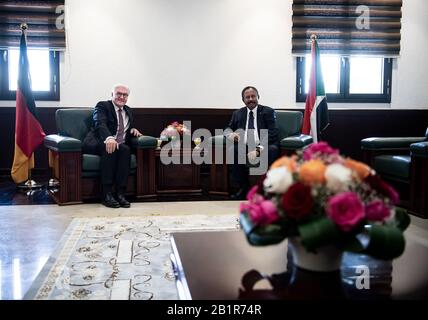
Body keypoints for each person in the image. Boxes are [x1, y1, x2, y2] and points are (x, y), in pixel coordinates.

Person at [83, 84, 142, 208]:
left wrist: (132, 130)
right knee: (111, 148)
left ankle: (120, 193)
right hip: (98, 141)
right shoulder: (103, 106)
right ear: (112, 95)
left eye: (124, 95)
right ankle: (106, 194)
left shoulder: (128, 111)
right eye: (118, 94)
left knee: (125, 149)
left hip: (119, 145)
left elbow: (122, 127)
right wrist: (109, 138)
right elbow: (100, 123)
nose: (121, 97)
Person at [224, 86, 280, 200]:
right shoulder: (238, 113)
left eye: (253, 96)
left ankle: (265, 189)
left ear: (258, 97)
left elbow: (273, 133)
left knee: (273, 150)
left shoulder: (268, 111)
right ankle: (244, 188)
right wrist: (230, 135)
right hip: (245, 145)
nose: (250, 99)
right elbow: (227, 129)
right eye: (247, 97)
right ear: (243, 100)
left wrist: (258, 149)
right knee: (233, 150)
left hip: (265, 145)